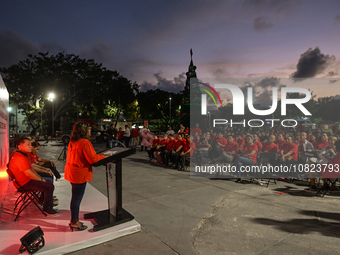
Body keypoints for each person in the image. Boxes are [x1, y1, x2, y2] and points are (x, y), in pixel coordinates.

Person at [64, 122, 108, 231]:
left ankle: (74, 220)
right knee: (76, 199)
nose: (90, 131)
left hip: (72, 172)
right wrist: (105, 156)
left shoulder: (73, 141)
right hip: (79, 174)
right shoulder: (85, 142)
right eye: (88, 129)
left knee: (75, 197)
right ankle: (74, 222)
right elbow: (92, 159)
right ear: (84, 131)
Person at [8, 136, 58, 215]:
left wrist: (41, 177)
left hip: (25, 181)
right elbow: (29, 174)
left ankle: (47, 201)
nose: (31, 146)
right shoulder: (19, 157)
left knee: (48, 181)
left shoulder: (22, 155)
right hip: (25, 184)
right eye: (28, 144)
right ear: (19, 146)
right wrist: (41, 180)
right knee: (49, 186)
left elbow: (32, 169)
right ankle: (47, 208)